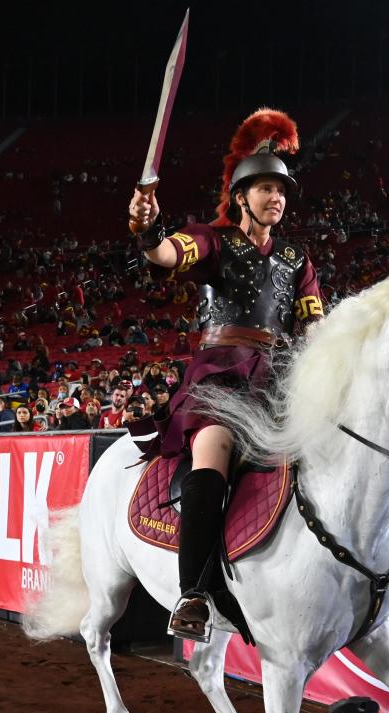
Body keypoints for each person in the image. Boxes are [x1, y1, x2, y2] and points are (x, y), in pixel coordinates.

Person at [127, 108, 323, 640]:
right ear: (241, 197)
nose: (276, 198)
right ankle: (193, 591)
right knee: (213, 447)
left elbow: (315, 326)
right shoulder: (212, 241)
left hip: (279, 378)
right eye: (264, 188)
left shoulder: (298, 259)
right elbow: (168, 254)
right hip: (220, 374)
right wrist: (147, 228)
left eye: (281, 191)